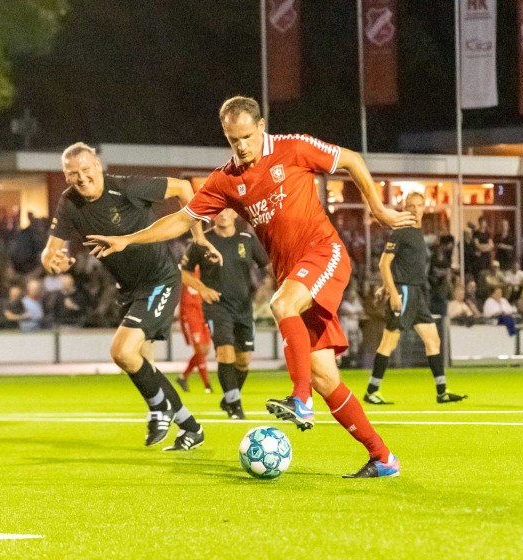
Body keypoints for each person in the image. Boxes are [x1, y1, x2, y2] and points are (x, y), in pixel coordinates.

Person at [85, 96, 413, 477]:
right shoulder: (225, 180)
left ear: (261, 127)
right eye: (231, 139)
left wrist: (378, 207)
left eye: (245, 136)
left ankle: (300, 400)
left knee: (281, 305)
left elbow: (353, 159)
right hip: (293, 273)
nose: (240, 145)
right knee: (326, 376)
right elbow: (180, 219)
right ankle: (383, 457)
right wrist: (129, 239)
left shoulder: (293, 148)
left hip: (324, 253)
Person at [42, 143, 213, 451]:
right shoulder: (69, 203)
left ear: (97, 165)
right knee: (138, 362)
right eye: (72, 174)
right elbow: (50, 251)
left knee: (122, 351)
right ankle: (190, 427)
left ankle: (159, 409)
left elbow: (184, 188)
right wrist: (53, 261)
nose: (81, 178)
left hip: (160, 279)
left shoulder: (127, 187)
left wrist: (198, 236)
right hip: (129, 290)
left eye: (85, 169)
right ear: (66, 177)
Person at [364, 192, 466, 406]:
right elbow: (384, 263)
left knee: (433, 340)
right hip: (405, 291)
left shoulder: (417, 231)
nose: (415, 209)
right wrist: (392, 292)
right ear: (405, 207)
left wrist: (385, 286)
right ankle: (372, 391)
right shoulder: (402, 231)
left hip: (417, 293)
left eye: (419, 205)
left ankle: (442, 391)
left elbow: (398, 264)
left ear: (424, 208)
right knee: (389, 341)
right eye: (411, 205)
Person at [179, 208, 269, 418]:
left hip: (244, 307)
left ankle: (229, 396)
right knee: (225, 352)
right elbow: (183, 271)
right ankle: (234, 406)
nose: (222, 214)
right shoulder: (202, 241)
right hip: (217, 306)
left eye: (227, 210)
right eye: (218, 210)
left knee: (243, 360)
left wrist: (271, 285)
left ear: (235, 214)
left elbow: (267, 265)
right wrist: (202, 289)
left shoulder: (247, 239)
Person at [175, 269, 213, 394]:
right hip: (190, 313)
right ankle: (207, 384)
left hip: (203, 311)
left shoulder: (207, 270)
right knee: (200, 350)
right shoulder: (187, 270)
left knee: (205, 350)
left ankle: (183, 377)